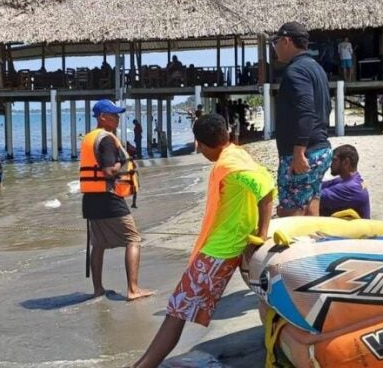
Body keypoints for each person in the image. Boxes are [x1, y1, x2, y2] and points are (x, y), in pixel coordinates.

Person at [132, 114, 275, 368]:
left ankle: (142, 366)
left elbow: (266, 191)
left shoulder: (228, 166)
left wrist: (262, 235)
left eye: (198, 146)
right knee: (180, 311)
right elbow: (264, 186)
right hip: (229, 246)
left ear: (202, 144)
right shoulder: (237, 154)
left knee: (176, 312)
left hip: (219, 251)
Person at [79, 99, 153, 301]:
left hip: (90, 200)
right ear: (103, 117)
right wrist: (123, 160)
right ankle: (133, 289)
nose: (117, 118)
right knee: (133, 239)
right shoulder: (107, 139)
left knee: (99, 243)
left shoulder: (90, 137)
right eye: (114, 115)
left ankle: (98, 289)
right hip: (108, 197)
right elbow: (108, 171)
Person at [271, 21, 332, 217]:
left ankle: (296, 247)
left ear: (286, 41)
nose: (275, 48)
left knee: (291, 210)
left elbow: (306, 111)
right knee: (312, 201)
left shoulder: (295, 71)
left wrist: (299, 152)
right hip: (320, 148)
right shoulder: (316, 68)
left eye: (276, 42)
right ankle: (314, 245)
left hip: (303, 153)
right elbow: (326, 107)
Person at [320, 145, 370, 219]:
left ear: (346, 162)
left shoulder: (351, 187)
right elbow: (319, 186)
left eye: (334, 160)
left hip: (356, 229)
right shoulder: (351, 179)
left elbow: (315, 196)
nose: (331, 164)